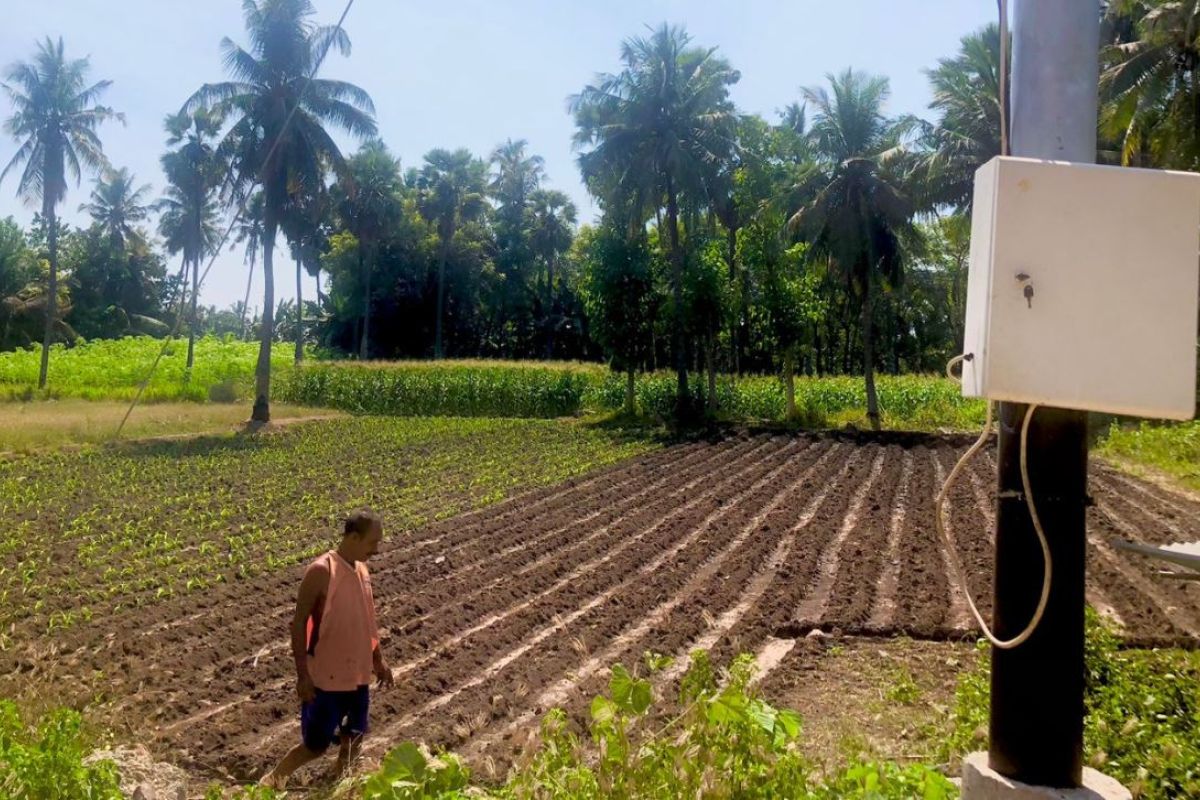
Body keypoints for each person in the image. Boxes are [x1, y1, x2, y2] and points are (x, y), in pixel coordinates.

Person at [261, 510, 395, 788]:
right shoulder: (322, 571)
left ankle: (339, 787)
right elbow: (298, 625)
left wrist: (378, 662)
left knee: (354, 738)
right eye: (373, 542)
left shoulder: (362, 569)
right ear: (354, 537)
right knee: (315, 745)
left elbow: (368, 621)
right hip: (326, 679)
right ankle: (270, 784)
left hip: (357, 675)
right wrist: (302, 676)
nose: (377, 549)